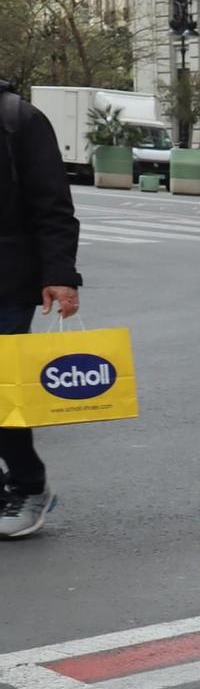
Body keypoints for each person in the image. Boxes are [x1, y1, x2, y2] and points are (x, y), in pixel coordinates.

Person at [0, 80, 81, 541]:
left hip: (7, 282)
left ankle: (31, 486)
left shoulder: (20, 120)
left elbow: (53, 206)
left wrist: (61, 276)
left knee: (3, 391)